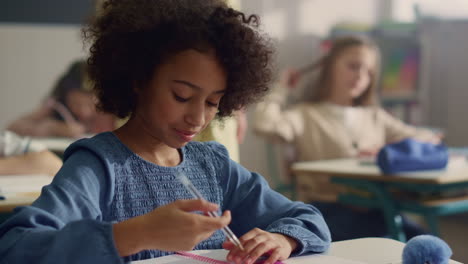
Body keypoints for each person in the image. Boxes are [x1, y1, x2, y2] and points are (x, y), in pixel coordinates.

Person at [0, 1, 331, 263]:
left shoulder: (212, 165)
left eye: (213, 102)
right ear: (139, 79)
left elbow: (307, 218)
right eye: (182, 96)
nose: (197, 117)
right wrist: (135, 234)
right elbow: (16, 248)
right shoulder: (99, 166)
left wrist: (283, 239)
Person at [254, 36, 440, 241]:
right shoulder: (306, 114)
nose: (360, 76)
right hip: (327, 211)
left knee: (428, 244)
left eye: (368, 72)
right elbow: (265, 125)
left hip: (377, 209)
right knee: (387, 245)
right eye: (353, 66)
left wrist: (388, 151)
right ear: (330, 66)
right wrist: (281, 89)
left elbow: (428, 137)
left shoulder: (374, 115)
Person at [7, 60, 116, 138]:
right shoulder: (56, 105)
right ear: (65, 95)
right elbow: (12, 128)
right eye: (76, 104)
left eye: (91, 105)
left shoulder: (110, 110)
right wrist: (52, 128)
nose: (84, 112)